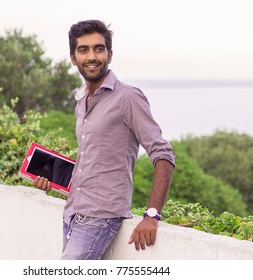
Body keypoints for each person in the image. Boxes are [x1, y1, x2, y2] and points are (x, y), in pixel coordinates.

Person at [33, 19, 175, 260]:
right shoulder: (81, 101)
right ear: (72, 57)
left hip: (100, 217)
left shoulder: (127, 97)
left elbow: (163, 155)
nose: (92, 56)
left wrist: (152, 215)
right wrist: (54, 179)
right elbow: (93, 161)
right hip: (73, 214)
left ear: (110, 55)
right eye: (83, 49)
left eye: (99, 49)